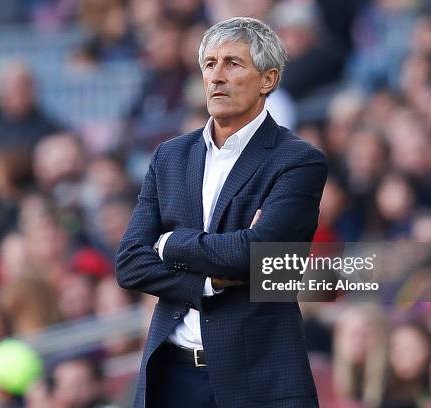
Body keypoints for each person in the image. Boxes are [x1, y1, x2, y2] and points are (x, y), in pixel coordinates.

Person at [116, 17, 327, 408]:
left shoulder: (298, 160)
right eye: (210, 64)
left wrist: (170, 243)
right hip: (172, 377)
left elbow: (257, 254)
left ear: (268, 79)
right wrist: (207, 284)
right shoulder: (170, 156)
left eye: (233, 63)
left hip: (258, 379)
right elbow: (129, 263)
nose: (216, 76)